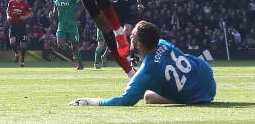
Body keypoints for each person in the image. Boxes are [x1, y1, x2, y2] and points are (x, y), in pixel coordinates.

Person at [68, 21, 217, 106]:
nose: (129, 37)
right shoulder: (163, 43)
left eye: (132, 37)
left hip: (198, 97)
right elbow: (154, 59)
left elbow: (125, 100)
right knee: (149, 91)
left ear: (139, 44)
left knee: (147, 97)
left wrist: (91, 101)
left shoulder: (147, 71)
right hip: (206, 74)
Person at [49, 0, 84, 70]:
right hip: (61, 25)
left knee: (75, 45)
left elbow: (81, 4)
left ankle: (80, 65)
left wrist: (79, 12)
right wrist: (52, 14)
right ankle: (74, 52)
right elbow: (55, 10)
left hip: (72, 24)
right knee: (60, 44)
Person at [6, 0, 33, 67]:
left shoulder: (25, 3)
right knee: (12, 43)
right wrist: (8, 16)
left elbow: (31, 14)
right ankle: (17, 54)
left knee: (23, 46)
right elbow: (7, 10)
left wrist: (26, 17)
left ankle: (22, 62)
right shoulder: (11, 2)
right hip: (13, 25)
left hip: (22, 27)